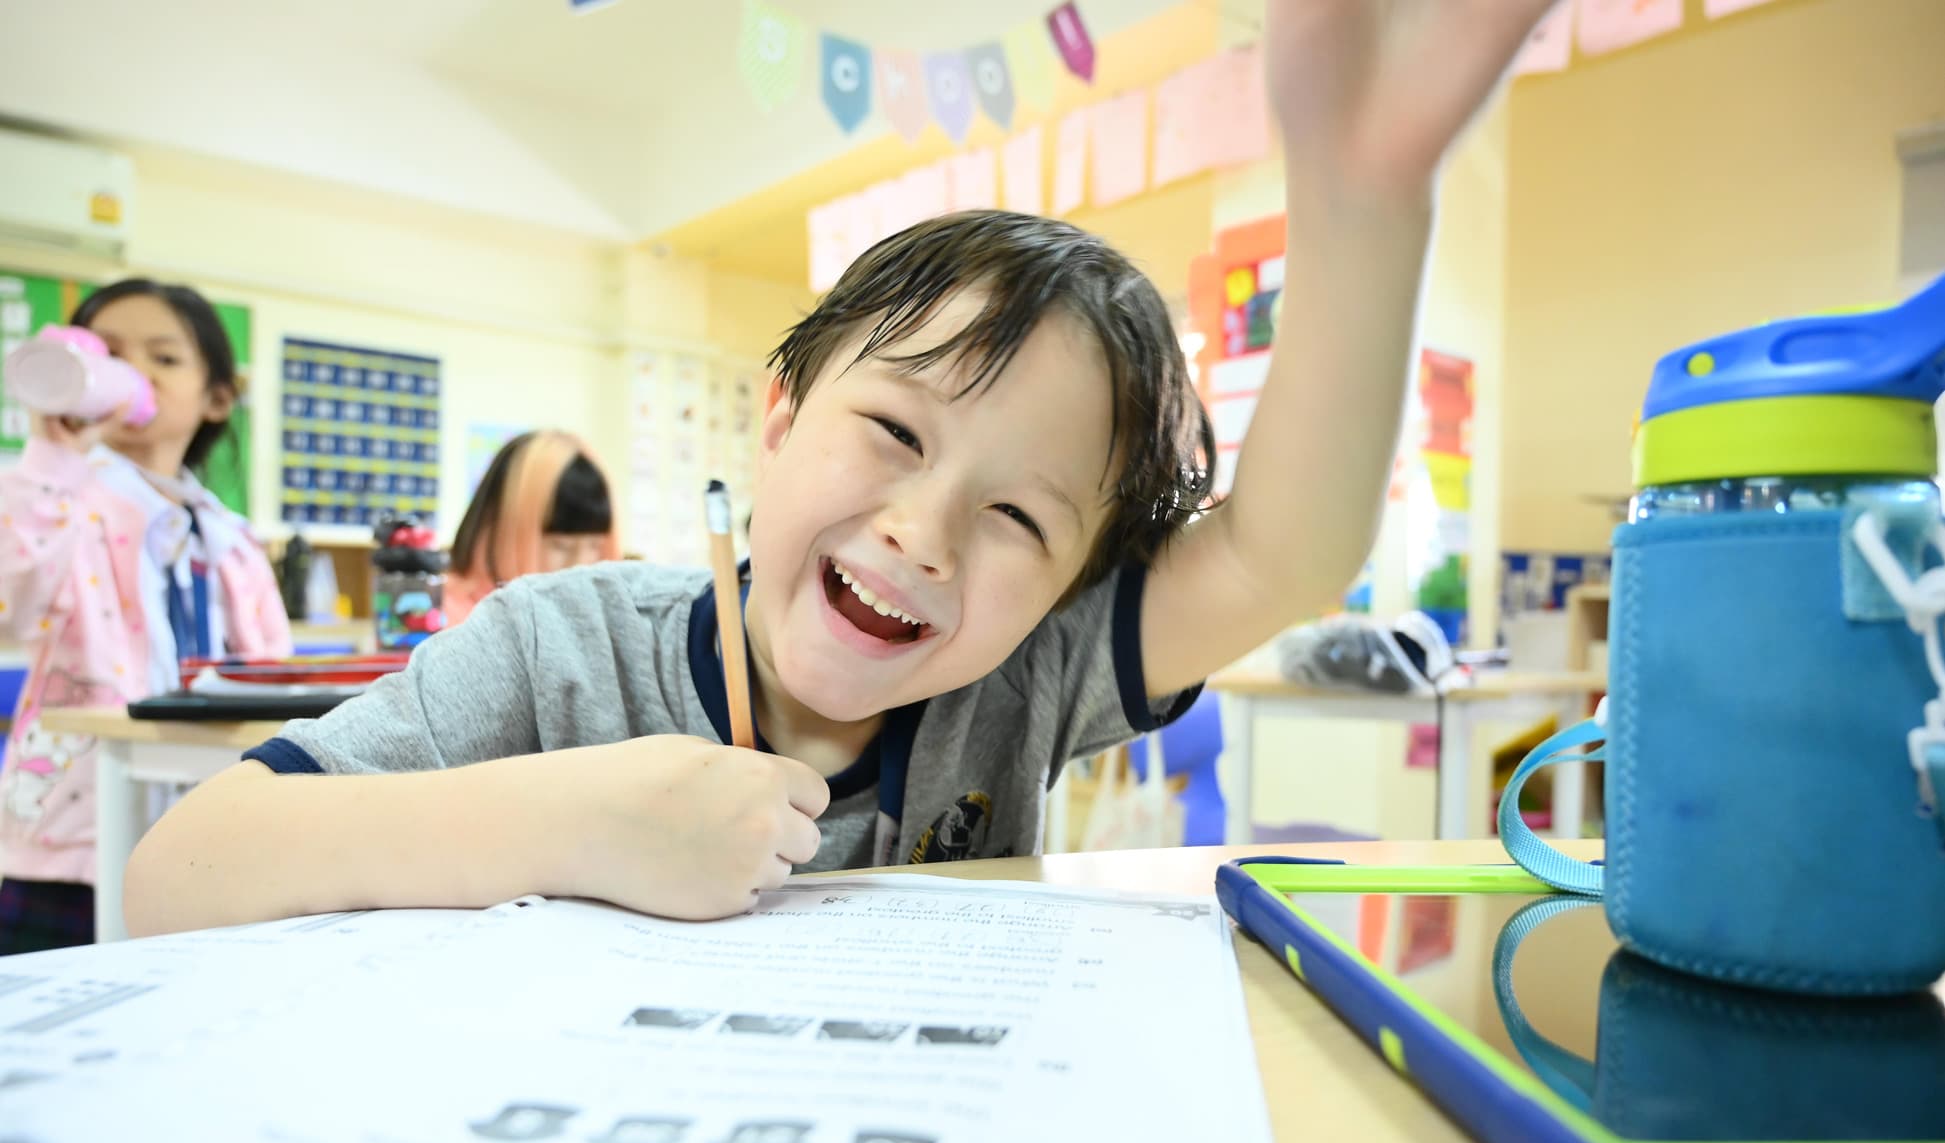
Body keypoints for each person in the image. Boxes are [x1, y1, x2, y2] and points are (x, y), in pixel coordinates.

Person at [125, 0, 1555, 934]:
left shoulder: (1019, 677)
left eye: (1017, 516)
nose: (927, 532)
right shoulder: (554, 652)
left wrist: (1364, 199)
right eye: (893, 431)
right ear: (781, 413)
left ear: (1069, 580)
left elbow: (1281, 553)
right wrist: (575, 818)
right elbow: (180, 872)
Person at [0, 279, 291, 953]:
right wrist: (53, 451)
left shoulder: (228, 534)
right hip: (72, 844)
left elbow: (271, 671)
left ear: (217, 397)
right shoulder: (60, 496)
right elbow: (17, 599)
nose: (132, 372)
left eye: (163, 357)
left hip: (205, 835)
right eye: (110, 353)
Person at [445, 430, 620, 626]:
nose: (581, 565)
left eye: (595, 545)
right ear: (502, 531)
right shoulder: (447, 624)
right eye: (560, 545)